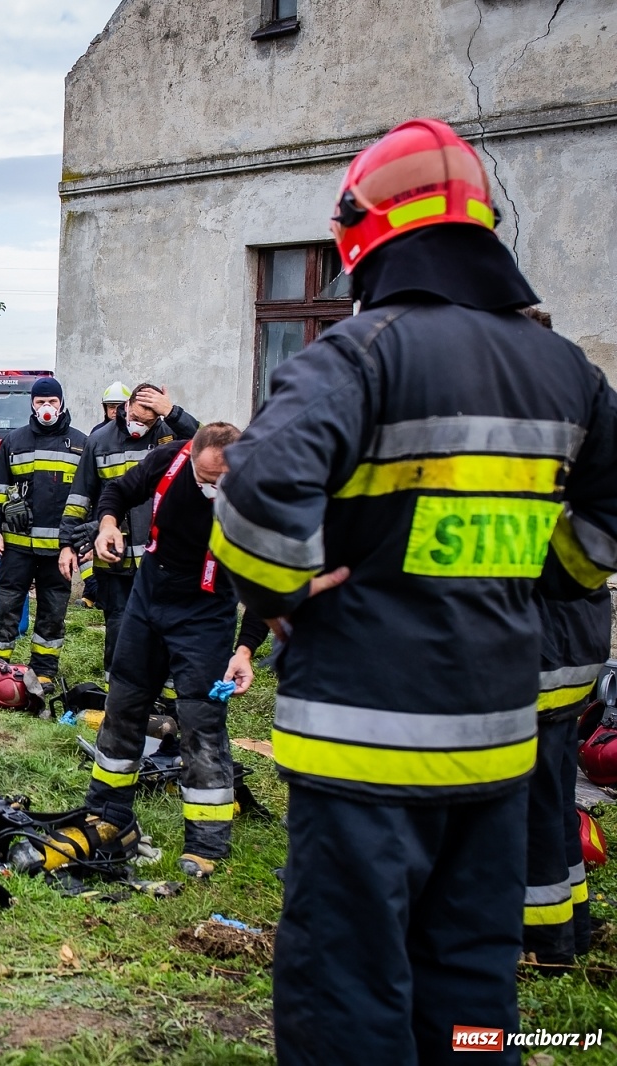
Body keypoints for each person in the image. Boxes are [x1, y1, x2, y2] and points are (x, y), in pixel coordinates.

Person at [210, 119, 617, 1065]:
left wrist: (285, 595)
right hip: (497, 738)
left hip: (364, 741)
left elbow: (257, 492)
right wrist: (549, 572)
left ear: (364, 230)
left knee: (348, 980)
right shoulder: (565, 371)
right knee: (473, 980)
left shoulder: (358, 354)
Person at [79, 423, 265, 878]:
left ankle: (206, 842)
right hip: (150, 595)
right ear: (192, 454)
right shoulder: (169, 459)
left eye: (223, 481)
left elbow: (267, 582)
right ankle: (108, 814)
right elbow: (117, 493)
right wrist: (106, 526)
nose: (213, 489)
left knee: (200, 718)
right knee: (124, 703)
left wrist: (244, 650)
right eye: (206, 479)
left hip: (205, 612)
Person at [61, 382, 198, 681]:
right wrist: (66, 543)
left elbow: (207, 445)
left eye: (149, 421)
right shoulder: (99, 441)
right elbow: (80, 496)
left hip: (163, 557)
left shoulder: (170, 436)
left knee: (165, 626)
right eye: (137, 417)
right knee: (120, 627)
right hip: (116, 557)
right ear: (126, 407)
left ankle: (167, 699)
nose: (141, 426)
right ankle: (119, 695)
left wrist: (172, 413)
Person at [0, 378, 89, 681]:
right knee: (5, 605)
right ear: (32, 404)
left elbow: (89, 493)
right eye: (40, 402)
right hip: (18, 544)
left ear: (62, 403)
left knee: (53, 611)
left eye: (52, 401)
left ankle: (43, 671)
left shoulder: (82, 443)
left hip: (59, 548)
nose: (46, 408)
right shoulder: (15, 441)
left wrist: (80, 538)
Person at [525, 589, 609, 964]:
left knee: (535, 813)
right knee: (556, 807)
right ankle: (573, 929)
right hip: (568, 651)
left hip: (535, 660)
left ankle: (544, 947)